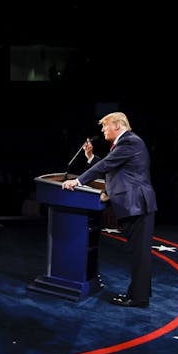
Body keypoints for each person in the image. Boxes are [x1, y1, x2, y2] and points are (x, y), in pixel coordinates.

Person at [61, 112, 157, 308]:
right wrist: (90, 157)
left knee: (139, 254)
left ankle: (138, 298)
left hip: (137, 205)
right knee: (138, 253)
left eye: (105, 126)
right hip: (135, 205)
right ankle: (139, 294)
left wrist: (78, 181)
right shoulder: (126, 145)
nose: (103, 130)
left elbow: (107, 165)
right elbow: (113, 167)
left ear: (118, 125)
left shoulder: (129, 142)